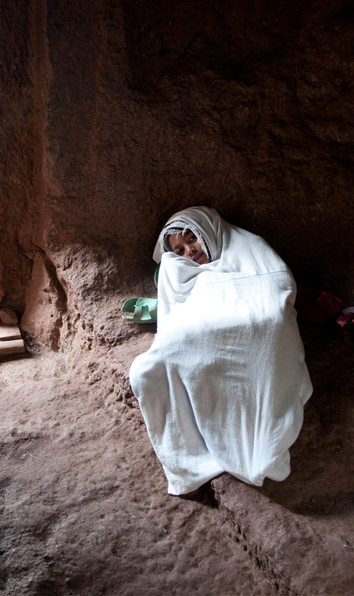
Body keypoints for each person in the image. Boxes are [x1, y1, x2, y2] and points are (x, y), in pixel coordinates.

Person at [130, 206, 313, 495]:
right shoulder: (176, 270)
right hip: (200, 335)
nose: (189, 251)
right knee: (145, 371)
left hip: (249, 333)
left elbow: (277, 290)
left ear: (208, 231)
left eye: (192, 238)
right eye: (179, 250)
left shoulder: (248, 247)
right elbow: (174, 317)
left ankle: (256, 440)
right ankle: (198, 454)